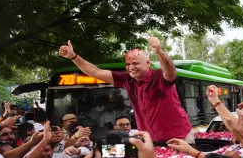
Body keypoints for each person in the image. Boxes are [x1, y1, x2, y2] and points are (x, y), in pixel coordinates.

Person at [59, 35, 192, 142]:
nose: (131, 67)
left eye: (135, 63)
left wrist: (159, 52)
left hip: (179, 138)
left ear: (148, 63)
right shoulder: (127, 79)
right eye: (128, 64)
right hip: (149, 141)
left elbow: (170, 71)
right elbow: (96, 72)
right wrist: (73, 57)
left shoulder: (160, 76)